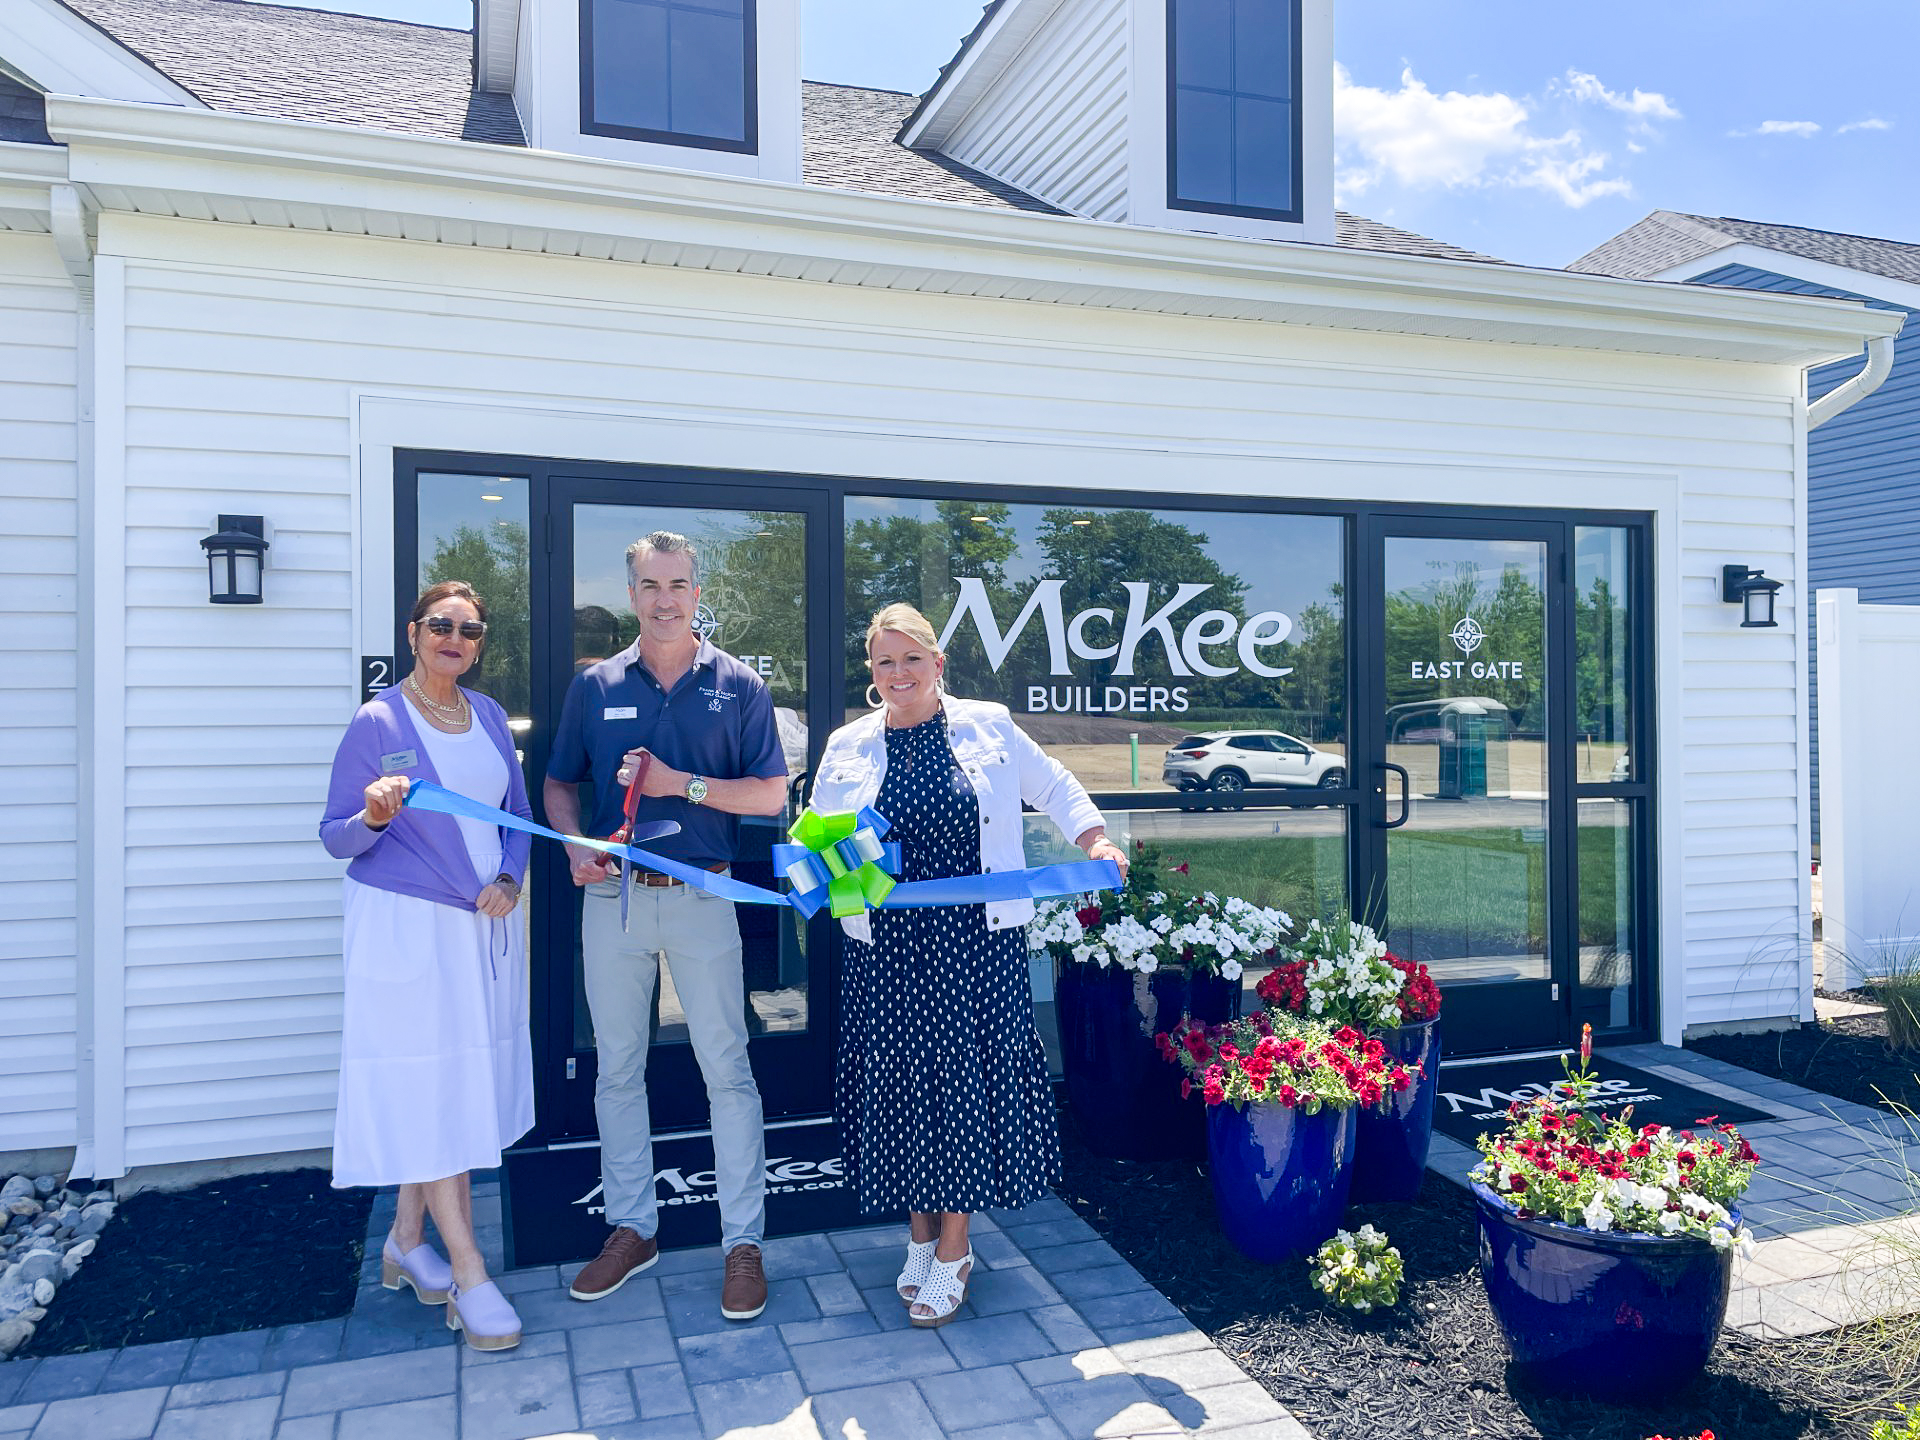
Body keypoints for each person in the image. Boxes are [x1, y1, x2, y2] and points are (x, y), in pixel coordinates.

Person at [811, 603, 1129, 1327]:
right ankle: (919, 1234)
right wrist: (817, 867)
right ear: (872, 671)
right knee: (903, 1089)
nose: (899, 674)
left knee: (960, 1090)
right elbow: (822, 837)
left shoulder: (987, 723)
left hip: (973, 947)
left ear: (938, 663)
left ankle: (955, 1246)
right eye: (885, 662)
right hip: (885, 952)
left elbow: (1054, 786)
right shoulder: (847, 745)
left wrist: (1096, 840)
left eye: (911, 660)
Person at [543, 531, 788, 1321]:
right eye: (651, 586)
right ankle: (631, 1229)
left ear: (695, 589)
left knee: (728, 1067)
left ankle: (742, 1243)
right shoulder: (596, 684)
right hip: (611, 901)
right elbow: (557, 784)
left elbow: (770, 798)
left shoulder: (740, 684)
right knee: (619, 1068)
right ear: (633, 594)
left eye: (678, 584)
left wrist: (684, 787)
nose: (665, 599)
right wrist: (577, 848)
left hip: (705, 897)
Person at [319, 580, 533, 1353]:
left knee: (453, 1081)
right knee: (432, 1084)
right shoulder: (378, 722)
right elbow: (336, 837)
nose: (457, 638)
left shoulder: (486, 717)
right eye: (442, 625)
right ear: (414, 633)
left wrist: (511, 878)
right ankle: (469, 1274)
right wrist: (374, 815)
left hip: (483, 925)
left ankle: (407, 1241)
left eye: (471, 629)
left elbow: (518, 814)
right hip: (408, 929)